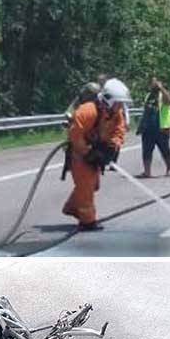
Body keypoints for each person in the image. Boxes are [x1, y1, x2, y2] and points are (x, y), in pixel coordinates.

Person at [62, 78, 128, 231]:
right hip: (80, 154)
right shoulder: (87, 111)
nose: (121, 106)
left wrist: (112, 147)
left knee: (94, 185)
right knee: (86, 186)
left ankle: (72, 207)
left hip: (96, 150)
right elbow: (75, 135)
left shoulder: (115, 113)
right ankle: (87, 221)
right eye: (119, 102)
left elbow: (119, 130)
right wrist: (87, 152)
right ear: (109, 100)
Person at [138, 78, 170, 177]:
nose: (154, 84)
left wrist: (161, 88)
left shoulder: (163, 95)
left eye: (156, 83)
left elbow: (169, 100)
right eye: (152, 83)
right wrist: (141, 126)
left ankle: (169, 169)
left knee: (165, 149)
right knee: (146, 151)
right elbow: (145, 111)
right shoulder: (148, 96)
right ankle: (147, 171)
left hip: (161, 128)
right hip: (148, 128)